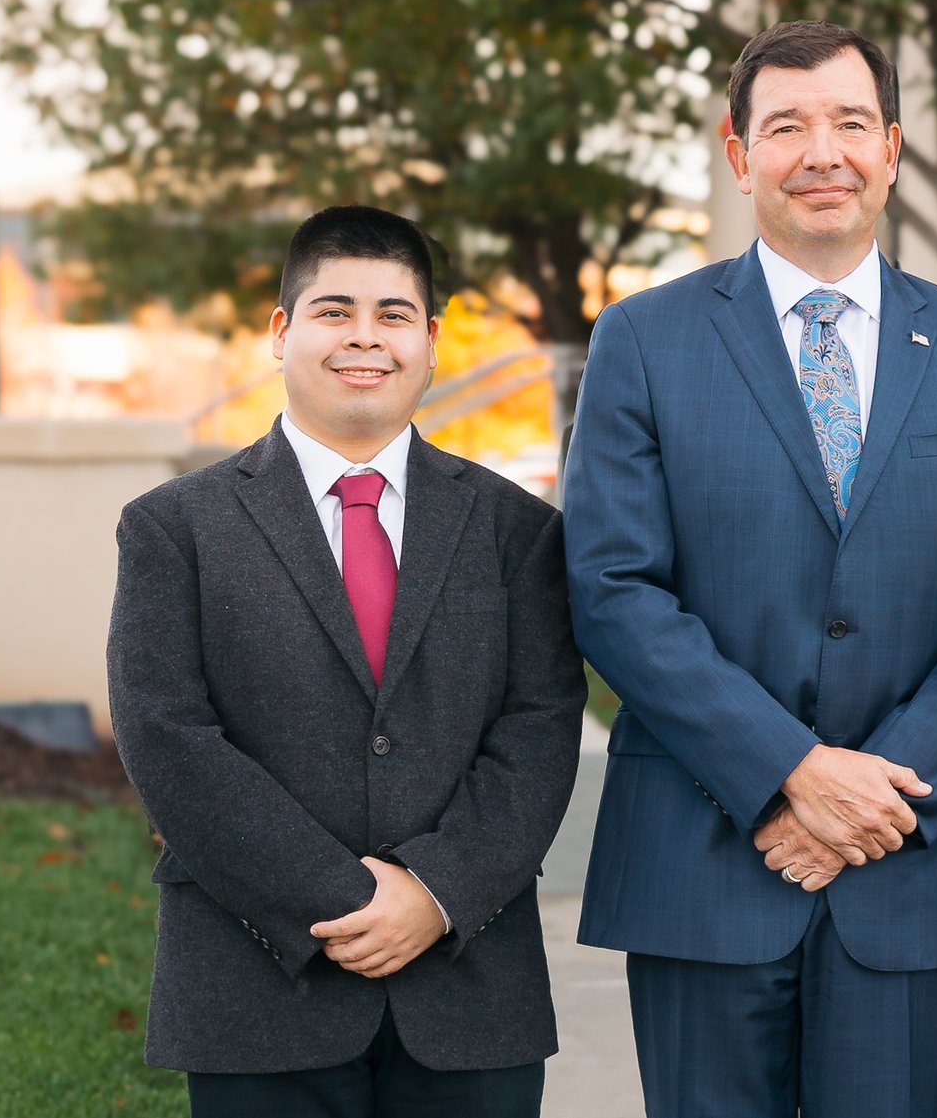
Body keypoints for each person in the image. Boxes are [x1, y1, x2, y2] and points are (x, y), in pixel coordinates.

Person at [561, 19, 937, 1118]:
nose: (819, 152)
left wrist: (874, 796)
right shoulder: (643, 343)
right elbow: (612, 588)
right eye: (785, 127)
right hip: (700, 857)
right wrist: (790, 770)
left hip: (906, 859)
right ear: (739, 157)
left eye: (846, 123)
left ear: (889, 147)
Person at [106, 205, 586, 1117]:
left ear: (433, 341)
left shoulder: (517, 531)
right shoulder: (177, 528)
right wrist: (349, 896)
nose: (365, 337)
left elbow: (539, 728)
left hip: (468, 989)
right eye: (334, 311)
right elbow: (167, 736)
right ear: (281, 331)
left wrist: (435, 892)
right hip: (257, 990)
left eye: (394, 315)